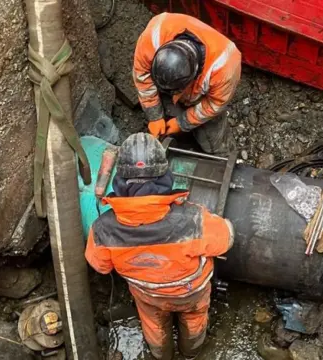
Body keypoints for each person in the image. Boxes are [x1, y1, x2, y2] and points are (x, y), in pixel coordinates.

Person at [85, 133, 234, 359]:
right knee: (194, 322)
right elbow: (225, 240)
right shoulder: (193, 219)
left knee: (154, 327)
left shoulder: (102, 230)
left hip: (148, 296)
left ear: (120, 181)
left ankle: (161, 355)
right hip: (191, 293)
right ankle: (191, 352)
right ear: (165, 177)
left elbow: (100, 266)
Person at [133, 12, 241, 156]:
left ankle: (224, 157)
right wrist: (155, 116)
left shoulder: (224, 67)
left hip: (203, 98)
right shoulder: (152, 39)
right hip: (169, 82)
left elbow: (214, 104)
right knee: (166, 112)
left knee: (214, 140)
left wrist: (183, 122)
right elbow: (142, 76)